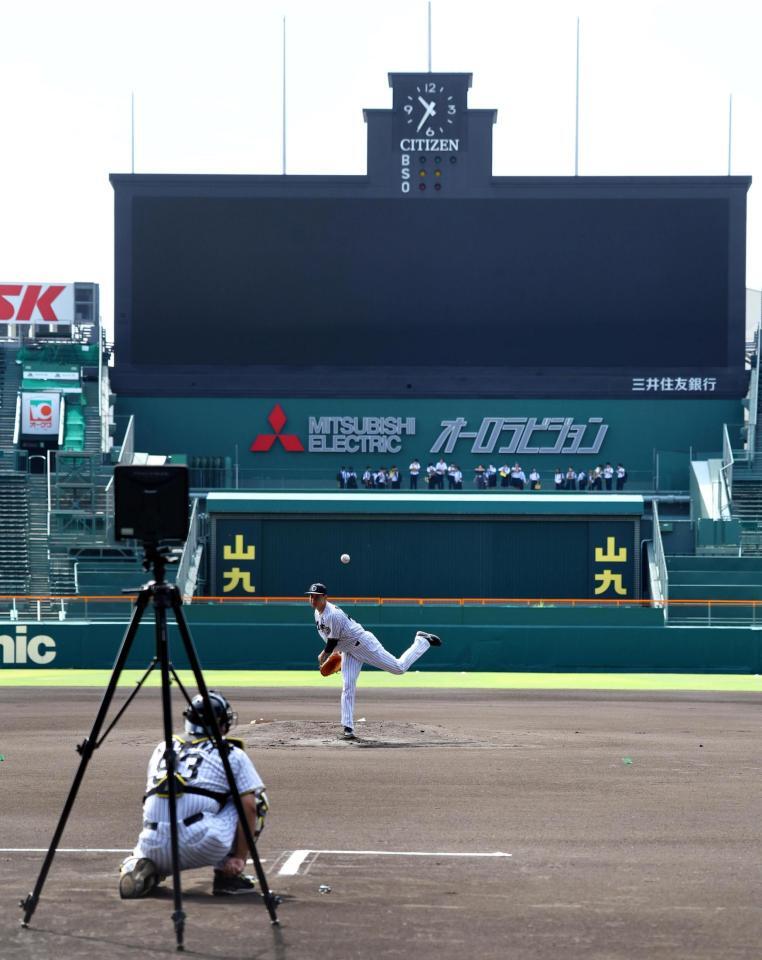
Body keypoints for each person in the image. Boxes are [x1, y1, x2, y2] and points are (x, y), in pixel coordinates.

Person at [118, 690, 269, 899]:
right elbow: (249, 806)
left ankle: (140, 864)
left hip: (152, 842)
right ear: (222, 722)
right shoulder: (231, 753)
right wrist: (240, 857)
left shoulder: (163, 748)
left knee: (171, 803)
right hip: (204, 843)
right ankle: (228, 876)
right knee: (254, 798)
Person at [306, 582, 441, 738]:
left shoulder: (333, 614)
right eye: (310, 596)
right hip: (349, 651)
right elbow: (333, 638)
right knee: (347, 686)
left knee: (399, 668)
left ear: (325, 597)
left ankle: (421, 641)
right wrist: (337, 653)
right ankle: (348, 727)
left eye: (316, 597)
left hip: (364, 644)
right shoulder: (317, 613)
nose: (312, 599)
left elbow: (332, 641)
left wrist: (324, 655)